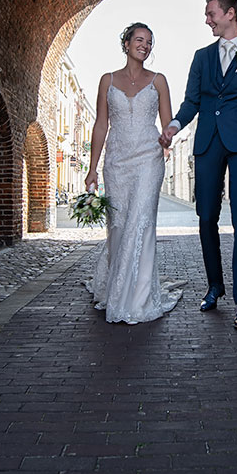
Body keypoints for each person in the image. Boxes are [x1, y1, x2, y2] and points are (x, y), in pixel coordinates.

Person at [159, 0, 237, 330]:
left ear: (230, 14)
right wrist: (172, 126)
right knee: (206, 217)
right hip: (208, 143)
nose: (207, 19)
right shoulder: (201, 58)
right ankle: (215, 285)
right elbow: (191, 102)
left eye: (211, 13)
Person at [84, 23, 182, 324]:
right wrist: (91, 170)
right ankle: (115, 286)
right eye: (139, 40)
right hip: (116, 161)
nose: (145, 45)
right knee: (119, 225)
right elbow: (101, 125)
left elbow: (168, 123)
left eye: (149, 42)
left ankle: (138, 299)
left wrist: (167, 138)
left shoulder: (159, 81)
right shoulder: (107, 80)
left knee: (141, 223)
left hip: (148, 160)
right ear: (126, 44)